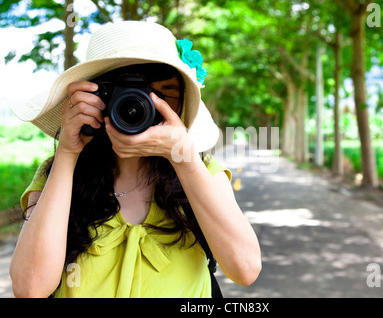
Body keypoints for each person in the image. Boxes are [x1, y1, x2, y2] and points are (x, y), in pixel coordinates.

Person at [9, 21, 261, 298]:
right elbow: (30, 288)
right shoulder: (59, 175)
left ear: (183, 104)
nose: (140, 106)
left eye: (163, 94)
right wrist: (68, 153)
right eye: (124, 93)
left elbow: (245, 269)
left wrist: (184, 158)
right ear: (93, 95)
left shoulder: (202, 170)